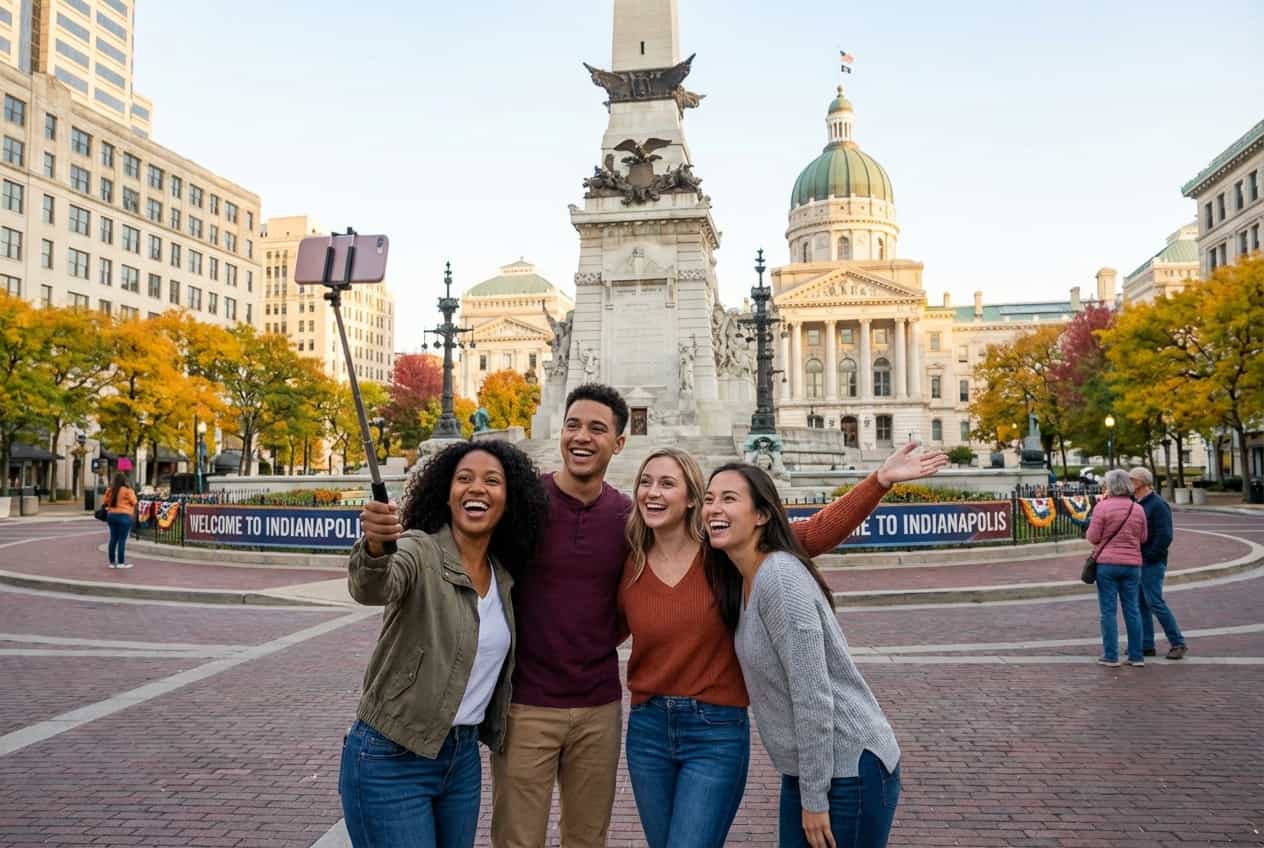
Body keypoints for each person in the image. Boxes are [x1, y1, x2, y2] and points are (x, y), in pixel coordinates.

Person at [619, 444, 947, 848]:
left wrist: (878, 482)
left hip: (736, 735)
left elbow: (813, 532)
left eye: (668, 483)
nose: (653, 492)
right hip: (652, 729)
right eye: (646, 482)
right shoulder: (635, 561)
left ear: (690, 500)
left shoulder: (729, 558)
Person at [703, 461, 929, 848]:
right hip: (813, 772)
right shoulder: (740, 578)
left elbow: (813, 697)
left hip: (848, 769)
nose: (713, 509)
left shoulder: (780, 580)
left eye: (728, 499)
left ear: (761, 515)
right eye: (708, 500)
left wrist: (813, 799)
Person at [341, 441, 549, 848]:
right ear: (446, 493)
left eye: (493, 481)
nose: (477, 488)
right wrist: (376, 547)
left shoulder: (504, 577)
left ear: (510, 500)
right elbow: (375, 585)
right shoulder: (419, 549)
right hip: (391, 756)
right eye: (464, 479)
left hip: (462, 759)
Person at [490, 383, 632, 848]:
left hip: (599, 708)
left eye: (597, 428)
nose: (581, 437)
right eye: (573, 425)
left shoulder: (628, 517)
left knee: (587, 839)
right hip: (525, 705)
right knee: (517, 840)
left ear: (619, 442)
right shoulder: (522, 504)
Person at [1086, 468, 1149, 668]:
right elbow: (1143, 537)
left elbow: (1093, 537)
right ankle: (1136, 656)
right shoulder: (1137, 508)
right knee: (1132, 610)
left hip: (1107, 564)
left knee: (1108, 611)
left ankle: (1111, 655)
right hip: (1132, 565)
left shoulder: (1102, 508)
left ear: (1110, 486)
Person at [1128, 467, 1187, 660]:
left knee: (1154, 602)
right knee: (1140, 603)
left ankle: (1178, 643)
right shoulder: (1139, 503)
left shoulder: (1158, 505)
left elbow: (1165, 535)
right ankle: (1146, 645)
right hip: (1140, 560)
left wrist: (1150, 556)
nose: (1129, 483)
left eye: (1132, 480)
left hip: (1151, 562)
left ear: (1141, 483)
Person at [103, 472, 137, 569]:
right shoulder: (127, 490)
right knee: (122, 539)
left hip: (111, 515)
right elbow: (134, 501)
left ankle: (112, 562)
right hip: (124, 516)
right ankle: (121, 563)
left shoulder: (110, 490)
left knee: (113, 538)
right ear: (124, 480)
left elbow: (105, 501)